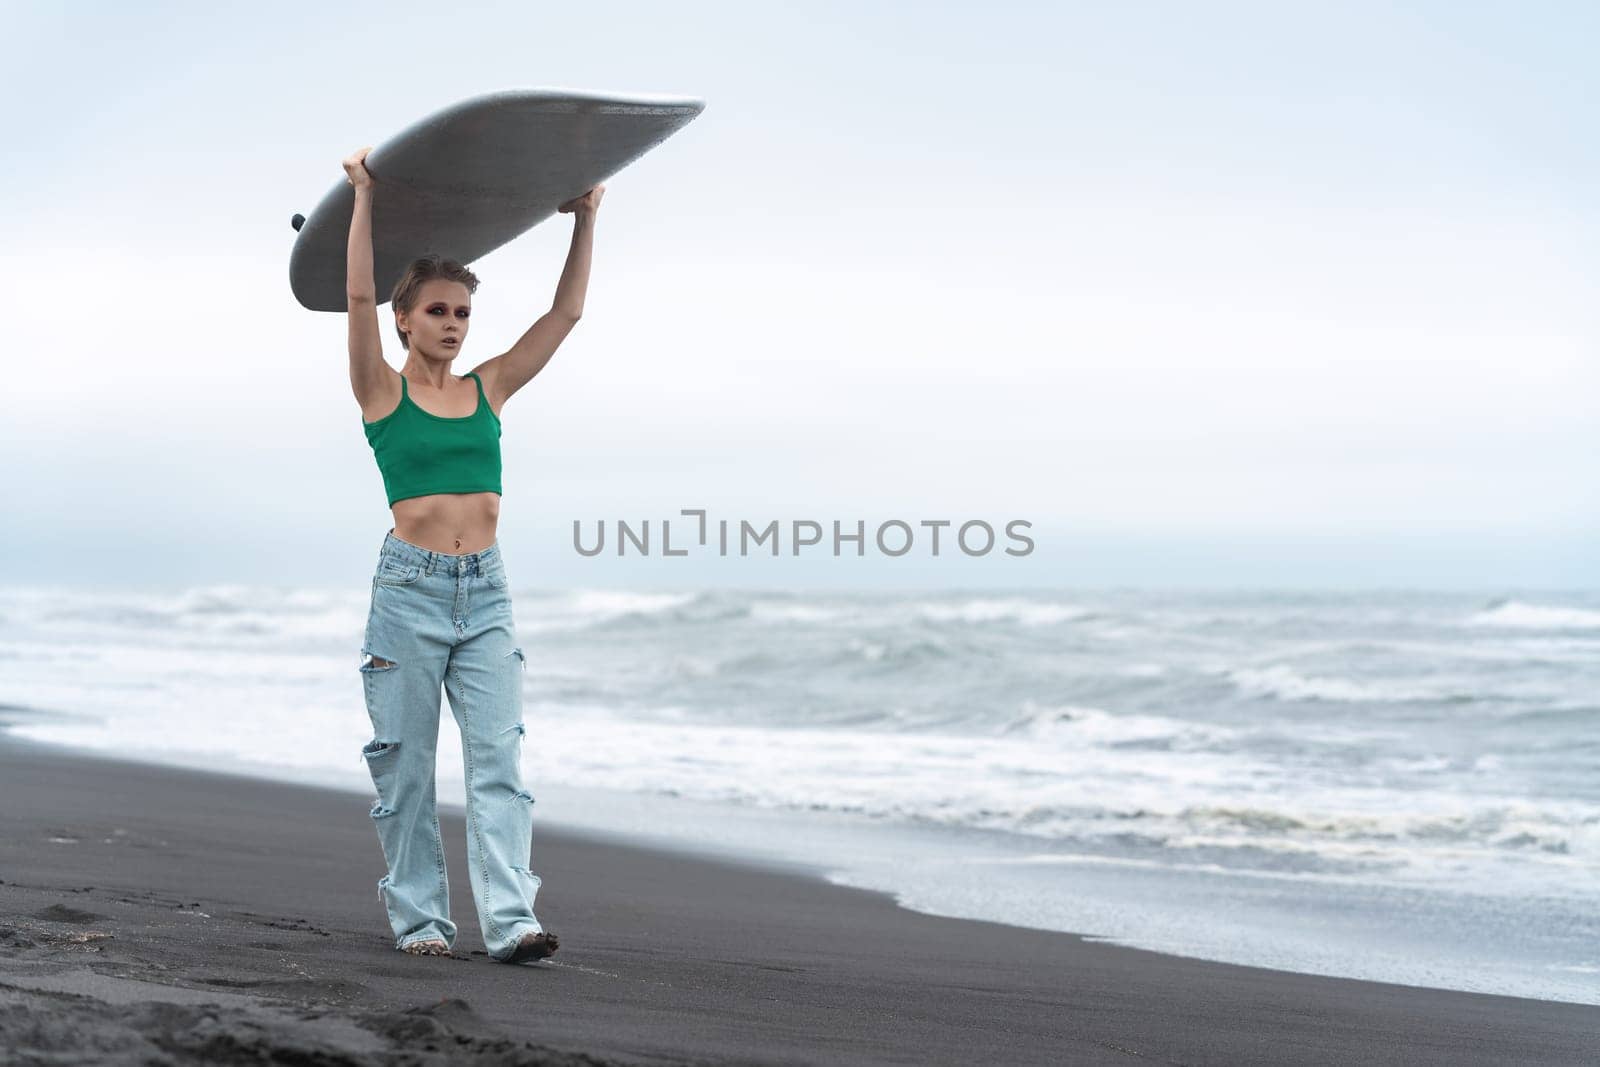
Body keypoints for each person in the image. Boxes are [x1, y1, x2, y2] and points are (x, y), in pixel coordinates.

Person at [340, 144, 601, 963]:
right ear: (404, 320)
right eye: (438, 311)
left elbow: (564, 318)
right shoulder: (381, 389)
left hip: (483, 592)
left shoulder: (488, 387)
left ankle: (512, 920)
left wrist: (586, 219)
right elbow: (353, 291)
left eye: (462, 314)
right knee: (408, 772)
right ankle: (421, 921)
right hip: (408, 592)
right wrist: (363, 197)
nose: (452, 324)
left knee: (498, 761)